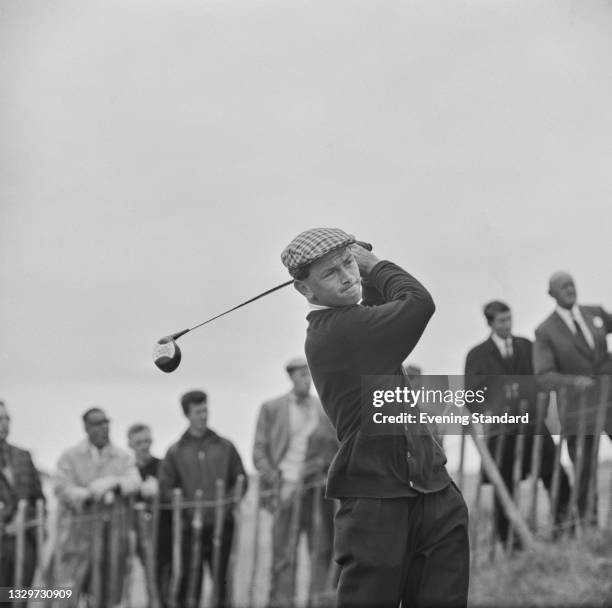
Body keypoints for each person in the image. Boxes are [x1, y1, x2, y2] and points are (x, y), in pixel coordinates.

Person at [281, 227, 469, 608]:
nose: (348, 276)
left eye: (348, 262)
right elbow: (418, 302)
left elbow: (384, 304)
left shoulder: (356, 320)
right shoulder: (337, 331)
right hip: (376, 499)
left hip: (431, 488)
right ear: (305, 290)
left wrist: (363, 271)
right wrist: (373, 263)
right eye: (331, 273)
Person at [465, 300, 571, 542]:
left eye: (509, 319)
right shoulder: (478, 355)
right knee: (504, 487)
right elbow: (471, 396)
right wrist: (496, 408)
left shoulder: (527, 347)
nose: (507, 325)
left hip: (533, 426)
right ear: (490, 323)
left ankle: (564, 529)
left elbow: (542, 382)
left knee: (556, 475)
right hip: (501, 431)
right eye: (501, 321)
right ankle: (511, 543)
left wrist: (539, 408)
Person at [253, 357, 338, 607]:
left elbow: (335, 447)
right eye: (301, 374)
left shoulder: (322, 410)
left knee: (321, 550)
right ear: (291, 377)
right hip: (285, 488)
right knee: (283, 553)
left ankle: (319, 602)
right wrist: (274, 478)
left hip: (316, 490)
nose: (307, 379)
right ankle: (281, 603)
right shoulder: (272, 408)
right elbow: (259, 451)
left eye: (309, 374)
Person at [533, 272, 612, 525]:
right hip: (579, 412)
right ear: (551, 294)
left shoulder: (595, 314)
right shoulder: (545, 331)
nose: (570, 289)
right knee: (585, 469)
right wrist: (574, 382)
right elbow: (543, 375)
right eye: (563, 286)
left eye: (571, 284)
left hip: (609, 401)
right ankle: (589, 529)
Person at [158, 390, 247, 608]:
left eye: (205, 410)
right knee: (190, 582)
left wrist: (224, 507)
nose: (203, 415)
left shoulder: (225, 446)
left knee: (222, 580)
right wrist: (188, 511)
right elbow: (166, 488)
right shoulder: (176, 451)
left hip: (223, 526)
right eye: (198, 411)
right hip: (191, 530)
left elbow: (240, 479)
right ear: (187, 414)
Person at [53, 407, 141, 607]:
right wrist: (85, 495)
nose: (104, 428)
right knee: (67, 595)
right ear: (86, 427)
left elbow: (134, 481)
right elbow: (60, 485)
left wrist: (113, 482)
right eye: (98, 424)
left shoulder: (121, 457)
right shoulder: (71, 456)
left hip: (111, 541)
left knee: (106, 596)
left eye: (106, 422)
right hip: (77, 541)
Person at [0, 399, 45, 588]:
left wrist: (27, 521)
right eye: (0, 419)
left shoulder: (23, 456)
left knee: (19, 596)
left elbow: (39, 498)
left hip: (24, 540)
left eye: (6, 418)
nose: (4, 424)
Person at [127, 424, 172, 605]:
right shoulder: (127, 471)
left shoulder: (163, 467)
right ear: (130, 444)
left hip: (163, 534)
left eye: (147, 441)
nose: (144, 446)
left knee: (164, 581)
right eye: (139, 442)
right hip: (137, 536)